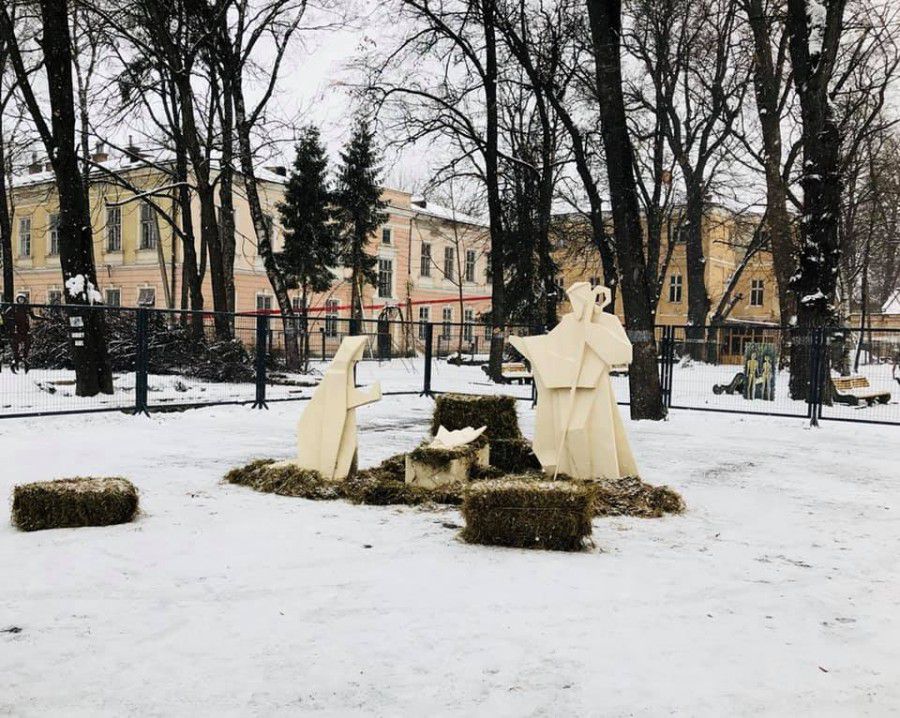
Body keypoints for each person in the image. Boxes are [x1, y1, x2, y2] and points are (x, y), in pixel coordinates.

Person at [7, 293, 39, 373]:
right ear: (17, 300)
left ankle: (25, 358)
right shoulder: (14, 307)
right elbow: (6, 315)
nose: (21, 300)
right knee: (15, 346)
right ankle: (15, 360)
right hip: (16, 330)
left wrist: (45, 318)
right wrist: (11, 324)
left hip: (25, 329)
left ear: (24, 300)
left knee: (27, 343)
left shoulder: (27, 308)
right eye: (19, 299)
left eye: (22, 299)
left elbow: (33, 317)